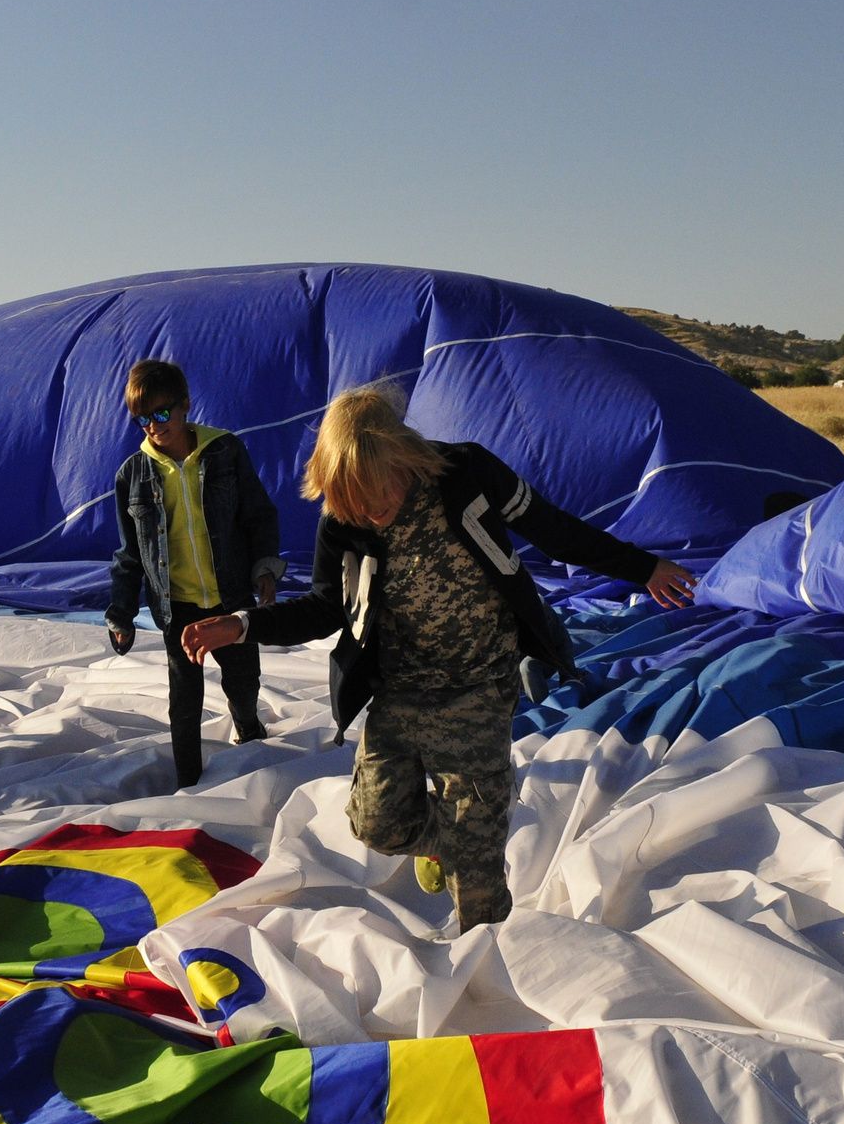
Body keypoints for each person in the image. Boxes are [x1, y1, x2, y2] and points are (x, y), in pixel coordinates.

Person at [182, 384, 695, 930]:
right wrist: (241, 625)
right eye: (359, 509)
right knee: (377, 826)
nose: (374, 518)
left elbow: (554, 530)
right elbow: (325, 608)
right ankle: (453, 839)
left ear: (402, 457)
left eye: (380, 501)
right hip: (401, 690)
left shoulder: (467, 472)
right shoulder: (345, 520)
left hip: (480, 682)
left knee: (476, 872)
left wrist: (643, 568)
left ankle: (487, 954)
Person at [104, 359, 285, 789]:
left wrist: (264, 569)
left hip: (230, 598)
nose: (154, 426)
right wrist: (121, 613)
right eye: (143, 419)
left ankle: (249, 729)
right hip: (178, 606)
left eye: (162, 414)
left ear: (185, 405)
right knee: (184, 703)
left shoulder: (225, 451)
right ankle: (189, 784)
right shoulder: (132, 475)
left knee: (243, 684)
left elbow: (259, 516)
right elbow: (130, 554)